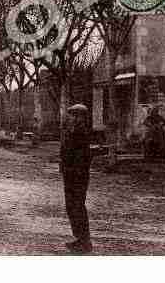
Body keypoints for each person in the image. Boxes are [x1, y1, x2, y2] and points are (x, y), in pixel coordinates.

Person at [61, 103, 92, 254]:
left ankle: (84, 240)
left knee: (77, 206)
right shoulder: (71, 131)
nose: (72, 118)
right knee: (71, 206)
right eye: (71, 115)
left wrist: (74, 170)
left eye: (75, 115)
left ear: (81, 117)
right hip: (70, 174)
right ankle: (79, 238)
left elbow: (82, 158)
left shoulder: (81, 133)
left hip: (78, 175)